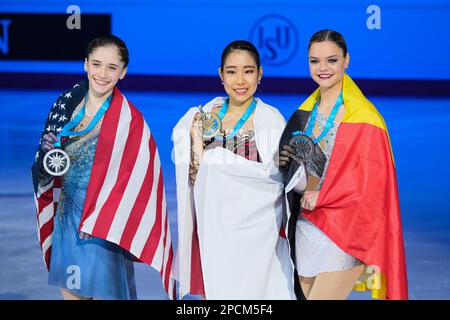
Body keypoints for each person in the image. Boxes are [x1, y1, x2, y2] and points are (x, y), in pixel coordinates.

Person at [31, 35, 175, 300]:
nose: (103, 73)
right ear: (86, 64)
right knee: (72, 293)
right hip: (68, 219)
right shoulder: (65, 105)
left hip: (104, 225)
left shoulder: (130, 120)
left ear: (123, 72)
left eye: (112, 67)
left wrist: (101, 219)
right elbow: (46, 166)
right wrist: (46, 154)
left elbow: (137, 182)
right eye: (97, 64)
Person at [278, 29, 408, 300]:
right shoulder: (302, 114)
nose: (322, 68)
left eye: (332, 60)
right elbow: (297, 167)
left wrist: (325, 194)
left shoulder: (367, 119)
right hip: (306, 226)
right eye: (314, 61)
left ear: (347, 60)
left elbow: (374, 187)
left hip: (344, 230)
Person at [172, 40, 296, 299]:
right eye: (231, 71)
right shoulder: (204, 115)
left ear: (260, 74)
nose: (240, 80)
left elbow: (278, 181)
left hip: (257, 232)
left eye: (248, 71)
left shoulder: (270, 119)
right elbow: (193, 175)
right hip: (214, 226)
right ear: (221, 74)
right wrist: (193, 135)